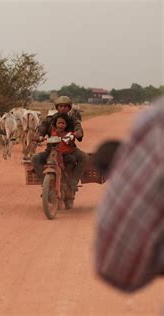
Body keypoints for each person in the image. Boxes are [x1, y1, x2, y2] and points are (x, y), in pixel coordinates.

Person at [94, 97, 164, 292]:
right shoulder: (50, 123)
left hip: (70, 152)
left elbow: (118, 268)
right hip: (54, 151)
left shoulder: (158, 123)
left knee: (79, 159)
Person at [31, 96, 89, 199]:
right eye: (61, 106)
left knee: (84, 157)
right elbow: (42, 128)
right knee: (35, 159)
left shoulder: (73, 120)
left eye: (66, 106)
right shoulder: (50, 119)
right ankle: (46, 184)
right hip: (51, 150)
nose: (63, 108)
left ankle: (72, 183)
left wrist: (78, 133)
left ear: (69, 108)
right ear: (57, 107)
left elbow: (78, 129)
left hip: (69, 150)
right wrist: (39, 136)